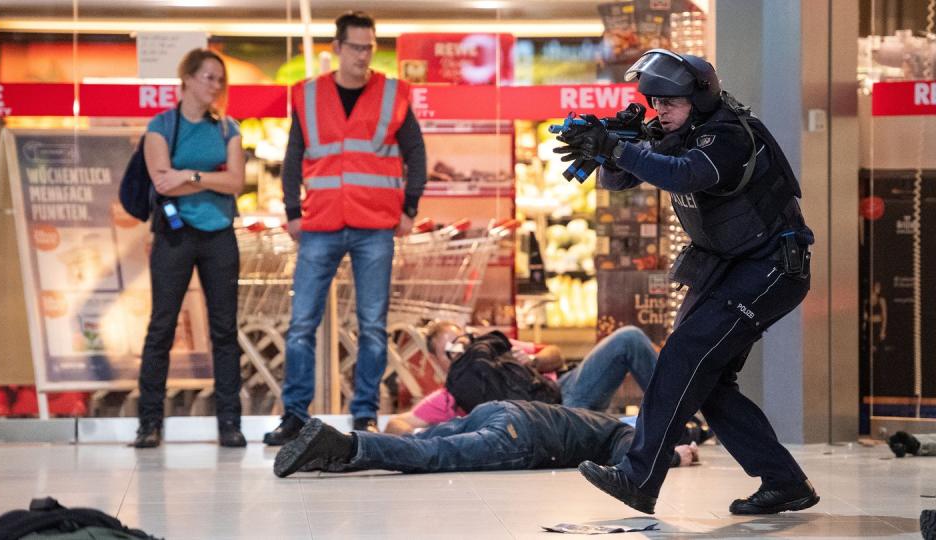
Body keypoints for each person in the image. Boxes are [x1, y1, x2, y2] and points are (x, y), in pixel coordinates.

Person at [555, 49, 817, 515]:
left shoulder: (729, 136)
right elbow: (619, 182)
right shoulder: (676, 130)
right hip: (728, 265)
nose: (660, 112)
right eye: (655, 104)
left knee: (683, 356)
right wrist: (610, 146)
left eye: (669, 103)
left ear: (698, 97)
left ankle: (639, 480)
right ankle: (785, 482)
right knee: (708, 382)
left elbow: (684, 172)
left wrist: (619, 148)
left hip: (773, 267)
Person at [264, 11, 427, 445]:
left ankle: (364, 415)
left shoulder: (392, 94)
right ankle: (295, 416)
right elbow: (293, 157)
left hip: (376, 224)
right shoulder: (308, 96)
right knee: (301, 324)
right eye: (355, 47)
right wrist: (292, 211)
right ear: (336, 49)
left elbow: (416, 154)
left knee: (372, 325)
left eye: (369, 47)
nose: (363, 55)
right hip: (320, 222)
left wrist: (409, 208)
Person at [134, 49, 246, 448]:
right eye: (207, 77)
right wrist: (209, 177)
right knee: (162, 326)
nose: (214, 86)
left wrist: (191, 175)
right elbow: (162, 181)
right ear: (186, 80)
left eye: (220, 79)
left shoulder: (228, 128)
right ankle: (150, 423)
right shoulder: (162, 126)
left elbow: (236, 182)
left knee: (225, 330)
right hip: (174, 235)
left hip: (220, 235)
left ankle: (229, 423)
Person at [272, 400, 699, 477]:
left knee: (428, 438)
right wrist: (674, 457)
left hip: (499, 410)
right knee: (432, 455)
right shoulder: (622, 430)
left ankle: (325, 456)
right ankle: (344, 445)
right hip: (520, 436)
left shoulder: (599, 417)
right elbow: (632, 452)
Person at [384, 322, 656, 435]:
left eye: (461, 341)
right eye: (449, 350)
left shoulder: (496, 348)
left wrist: (534, 361)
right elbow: (396, 424)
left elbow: (555, 354)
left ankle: (676, 418)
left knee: (628, 338)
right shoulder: (449, 397)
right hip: (552, 421)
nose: (460, 351)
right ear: (436, 362)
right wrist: (432, 434)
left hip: (565, 389)